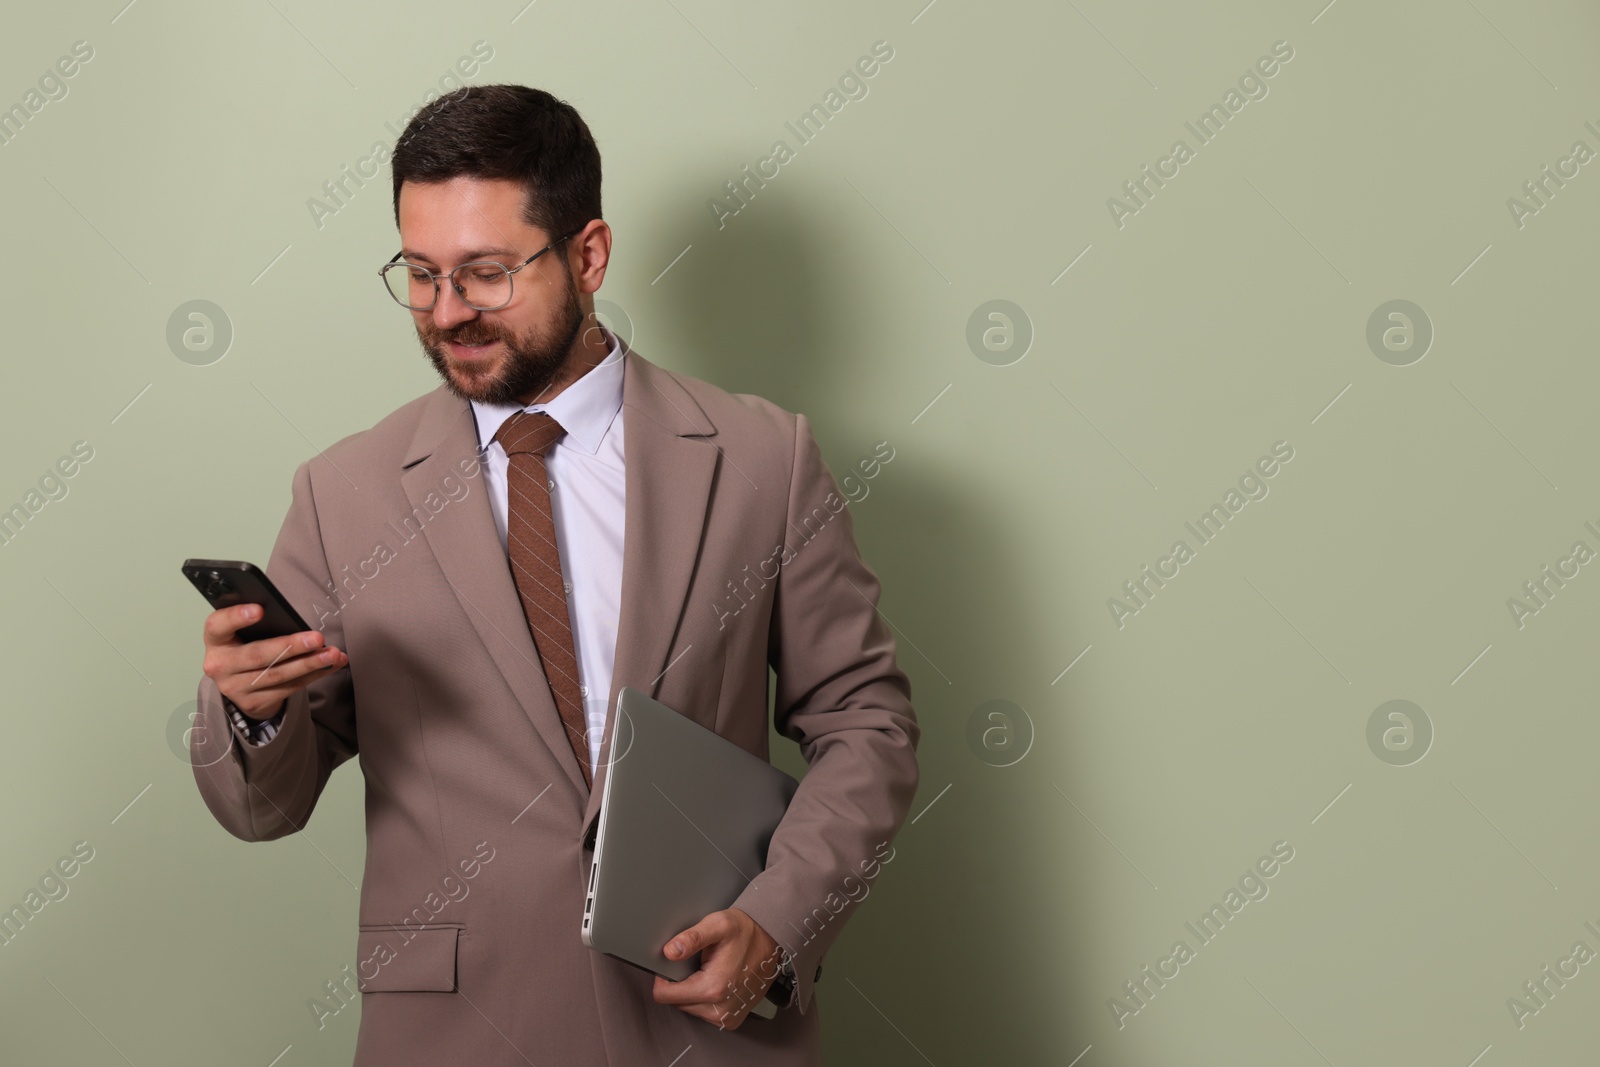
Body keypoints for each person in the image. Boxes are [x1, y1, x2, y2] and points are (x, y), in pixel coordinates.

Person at [190, 83, 919, 1066]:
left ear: (588, 255)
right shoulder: (342, 493)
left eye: (486, 273)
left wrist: (779, 922)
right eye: (420, 273)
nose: (448, 312)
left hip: (707, 1026)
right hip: (449, 1033)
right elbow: (261, 807)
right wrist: (252, 710)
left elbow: (865, 721)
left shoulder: (763, 457)